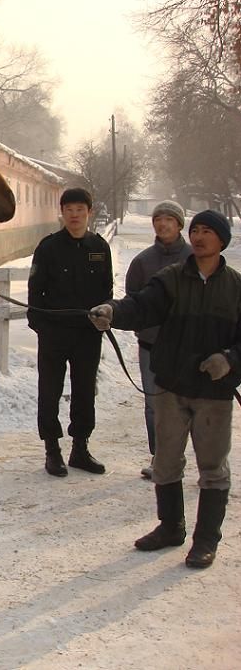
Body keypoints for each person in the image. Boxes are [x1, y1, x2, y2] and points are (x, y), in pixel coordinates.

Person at [90, 209, 238, 568]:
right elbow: (142, 306)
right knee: (167, 462)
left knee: (213, 468)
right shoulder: (172, 277)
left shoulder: (236, 287)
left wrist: (230, 360)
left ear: (222, 240)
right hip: (171, 385)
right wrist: (113, 311)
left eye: (207, 231)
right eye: (196, 230)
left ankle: (206, 541)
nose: (199, 237)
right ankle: (171, 527)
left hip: (214, 394)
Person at [28, 187, 114, 477]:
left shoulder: (100, 248)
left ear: (89, 212)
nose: (74, 215)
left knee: (84, 391)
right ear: (62, 213)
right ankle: (52, 450)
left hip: (87, 334)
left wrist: (103, 318)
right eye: (69, 210)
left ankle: (80, 448)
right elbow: (34, 290)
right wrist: (41, 326)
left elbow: (106, 290)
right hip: (54, 334)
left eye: (80, 209)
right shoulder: (48, 247)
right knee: (49, 391)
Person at [125, 200, 192, 479]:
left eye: (169, 219)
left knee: (186, 403)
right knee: (154, 402)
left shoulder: (194, 258)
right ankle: (160, 457)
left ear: (179, 225)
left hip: (186, 347)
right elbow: (133, 301)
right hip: (151, 345)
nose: (163, 224)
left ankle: (184, 456)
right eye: (158, 219)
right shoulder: (142, 261)